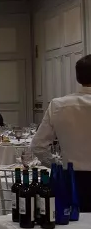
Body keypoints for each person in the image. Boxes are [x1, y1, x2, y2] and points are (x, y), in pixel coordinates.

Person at [33, 54, 91, 211]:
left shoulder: (58, 105)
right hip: (70, 177)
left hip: (69, 178)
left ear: (78, 77)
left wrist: (58, 166)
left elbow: (38, 146)